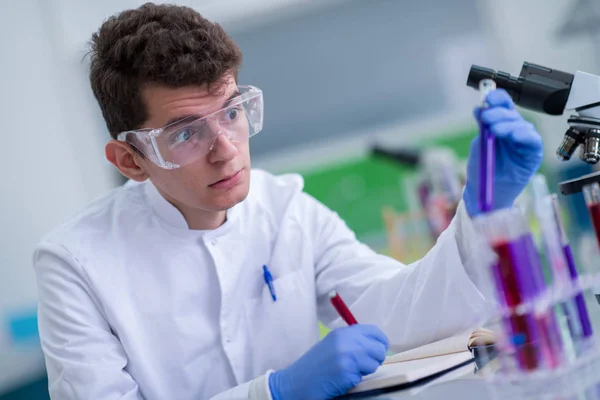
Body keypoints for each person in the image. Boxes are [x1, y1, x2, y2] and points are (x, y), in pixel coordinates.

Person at [32, 3, 543, 400]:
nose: (226, 149)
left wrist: (481, 209)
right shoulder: (75, 264)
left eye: (232, 112)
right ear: (130, 160)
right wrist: (273, 392)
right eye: (187, 133)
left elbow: (397, 314)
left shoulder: (286, 209)